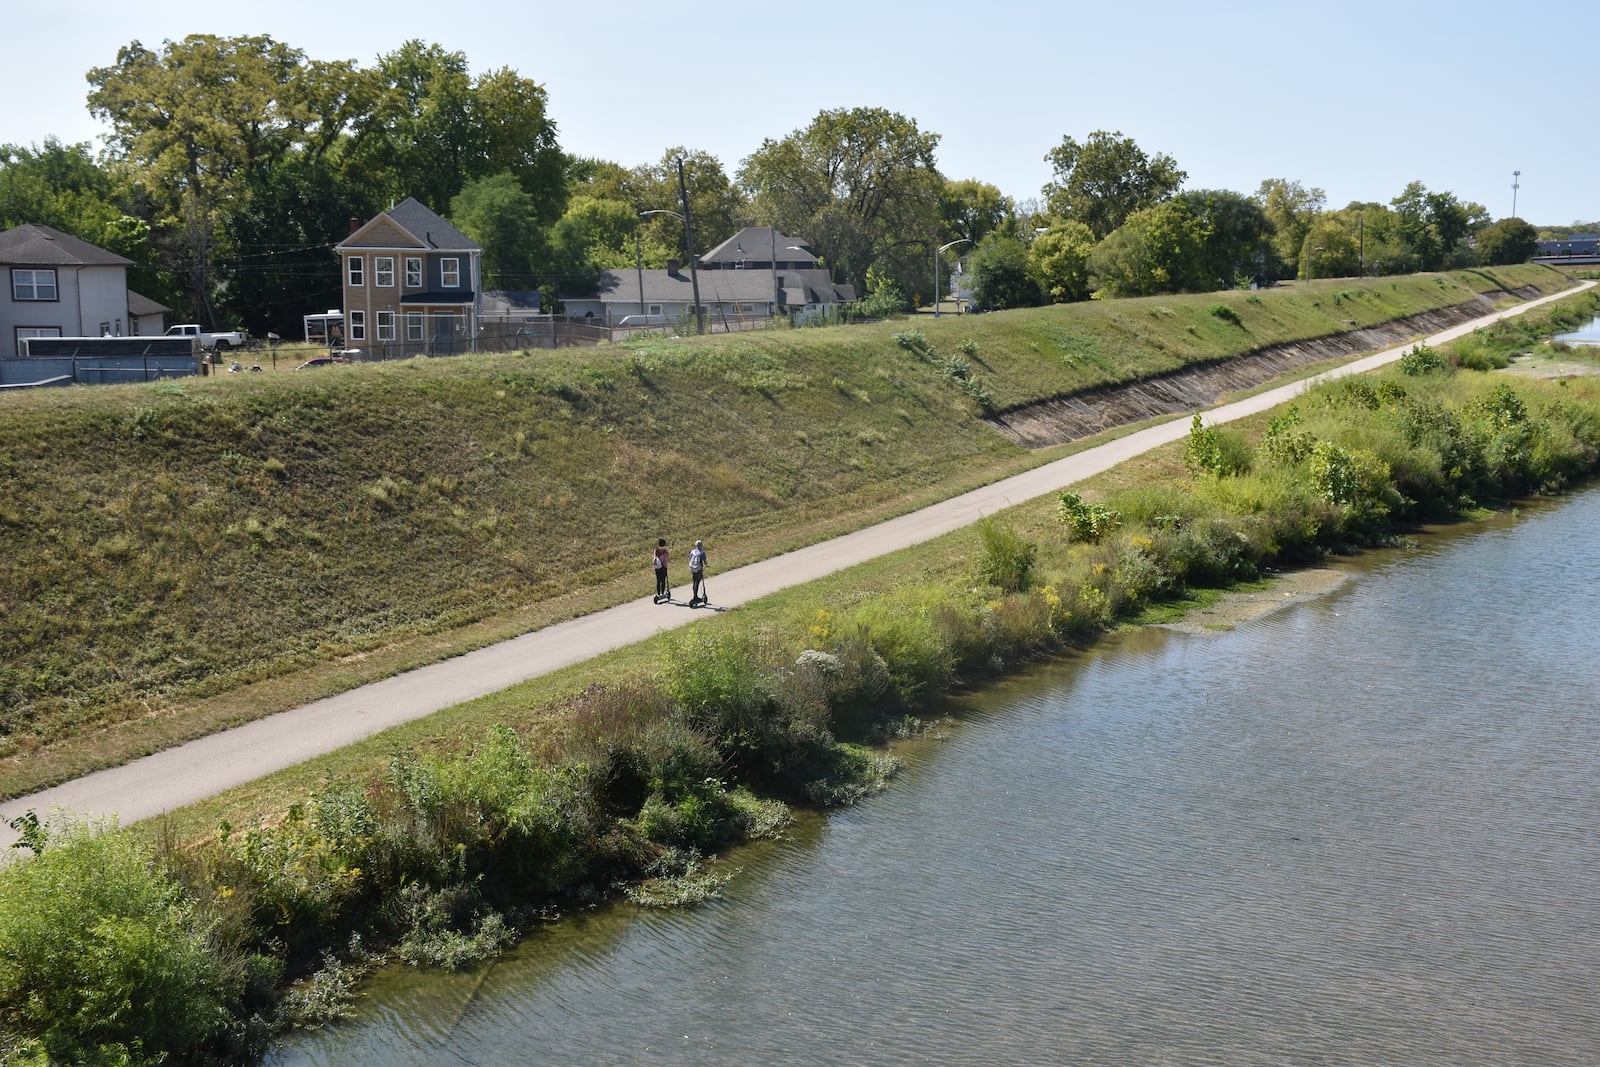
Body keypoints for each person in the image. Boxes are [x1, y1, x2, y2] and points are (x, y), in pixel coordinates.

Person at [688, 539, 708, 606]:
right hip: (699, 569)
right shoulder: (702, 552)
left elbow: (690, 559)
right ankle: (695, 597)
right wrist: (706, 566)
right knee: (697, 582)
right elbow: (704, 561)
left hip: (693, 569)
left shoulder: (692, 552)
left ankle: (695, 595)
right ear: (701, 545)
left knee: (694, 582)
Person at [652, 538, 670, 603]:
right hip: (663, 567)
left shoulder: (656, 550)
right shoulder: (665, 551)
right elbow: (667, 556)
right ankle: (662, 593)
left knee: (658, 580)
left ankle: (658, 593)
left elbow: (654, 557)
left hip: (657, 567)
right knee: (663, 580)